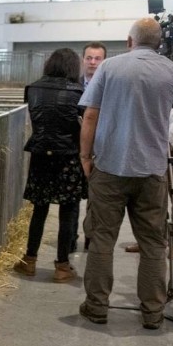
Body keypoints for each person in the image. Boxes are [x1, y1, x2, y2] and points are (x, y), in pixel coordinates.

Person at [77, 17, 173, 330]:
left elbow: (90, 114)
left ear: (129, 41)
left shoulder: (109, 67)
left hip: (110, 167)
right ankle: (153, 311)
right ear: (159, 44)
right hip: (152, 172)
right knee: (154, 243)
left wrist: (85, 156)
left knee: (102, 238)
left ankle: (97, 306)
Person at [13, 49, 87, 283]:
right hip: (69, 156)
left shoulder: (33, 89)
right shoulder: (79, 92)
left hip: (41, 155)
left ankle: (29, 260)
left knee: (39, 208)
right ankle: (62, 267)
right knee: (68, 211)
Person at [125, 87, 173, 260]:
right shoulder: (154, 70)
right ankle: (150, 238)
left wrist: (164, 137)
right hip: (152, 142)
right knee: (150, 194)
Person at [73, 42, 108, 252]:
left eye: (97, 59)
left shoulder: (109, 86)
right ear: (83, 59)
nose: (93, 63)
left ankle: (90, 235)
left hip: (101, 149)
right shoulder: (73, 85)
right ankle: (70, 235)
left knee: (95, 196)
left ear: (104, 61)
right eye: (89, 58)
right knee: (74, 194)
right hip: (74, 148)